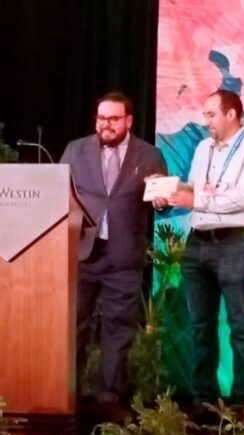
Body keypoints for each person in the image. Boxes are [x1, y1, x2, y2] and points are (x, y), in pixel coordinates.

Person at [158, 89, 244, 420]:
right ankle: (204, 399)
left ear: (231, 114)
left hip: (233, 244)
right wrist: (168, 193)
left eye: (211, 115)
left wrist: (196, 200)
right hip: (198, 243)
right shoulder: (203, 148)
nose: (205, 121)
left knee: (240, 325)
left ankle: (241, 402)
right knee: (200, 325)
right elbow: (196, 189)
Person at [60, 92, 168, 416]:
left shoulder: (150, 155)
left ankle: (108, 400)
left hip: (124, 257)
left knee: (118, 329)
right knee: (72, 326)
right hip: (83, 253)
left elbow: (161, 203)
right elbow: (56, 191)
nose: (105, 124)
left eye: (113, 119)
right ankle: (67, 395)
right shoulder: (75, 149)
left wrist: (162, 199)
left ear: (128, 120)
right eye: (101, 118)